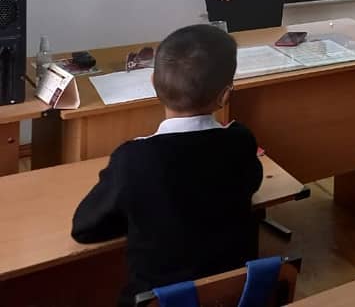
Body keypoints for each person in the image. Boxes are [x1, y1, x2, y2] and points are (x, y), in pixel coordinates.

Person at [71, 25, 263, 307]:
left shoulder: (133, 159)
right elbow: (252, 183)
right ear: (225, 95)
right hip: (232, 297)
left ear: (153, 82)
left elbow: (85, 228)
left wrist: (141, 216)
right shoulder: (240, 140)